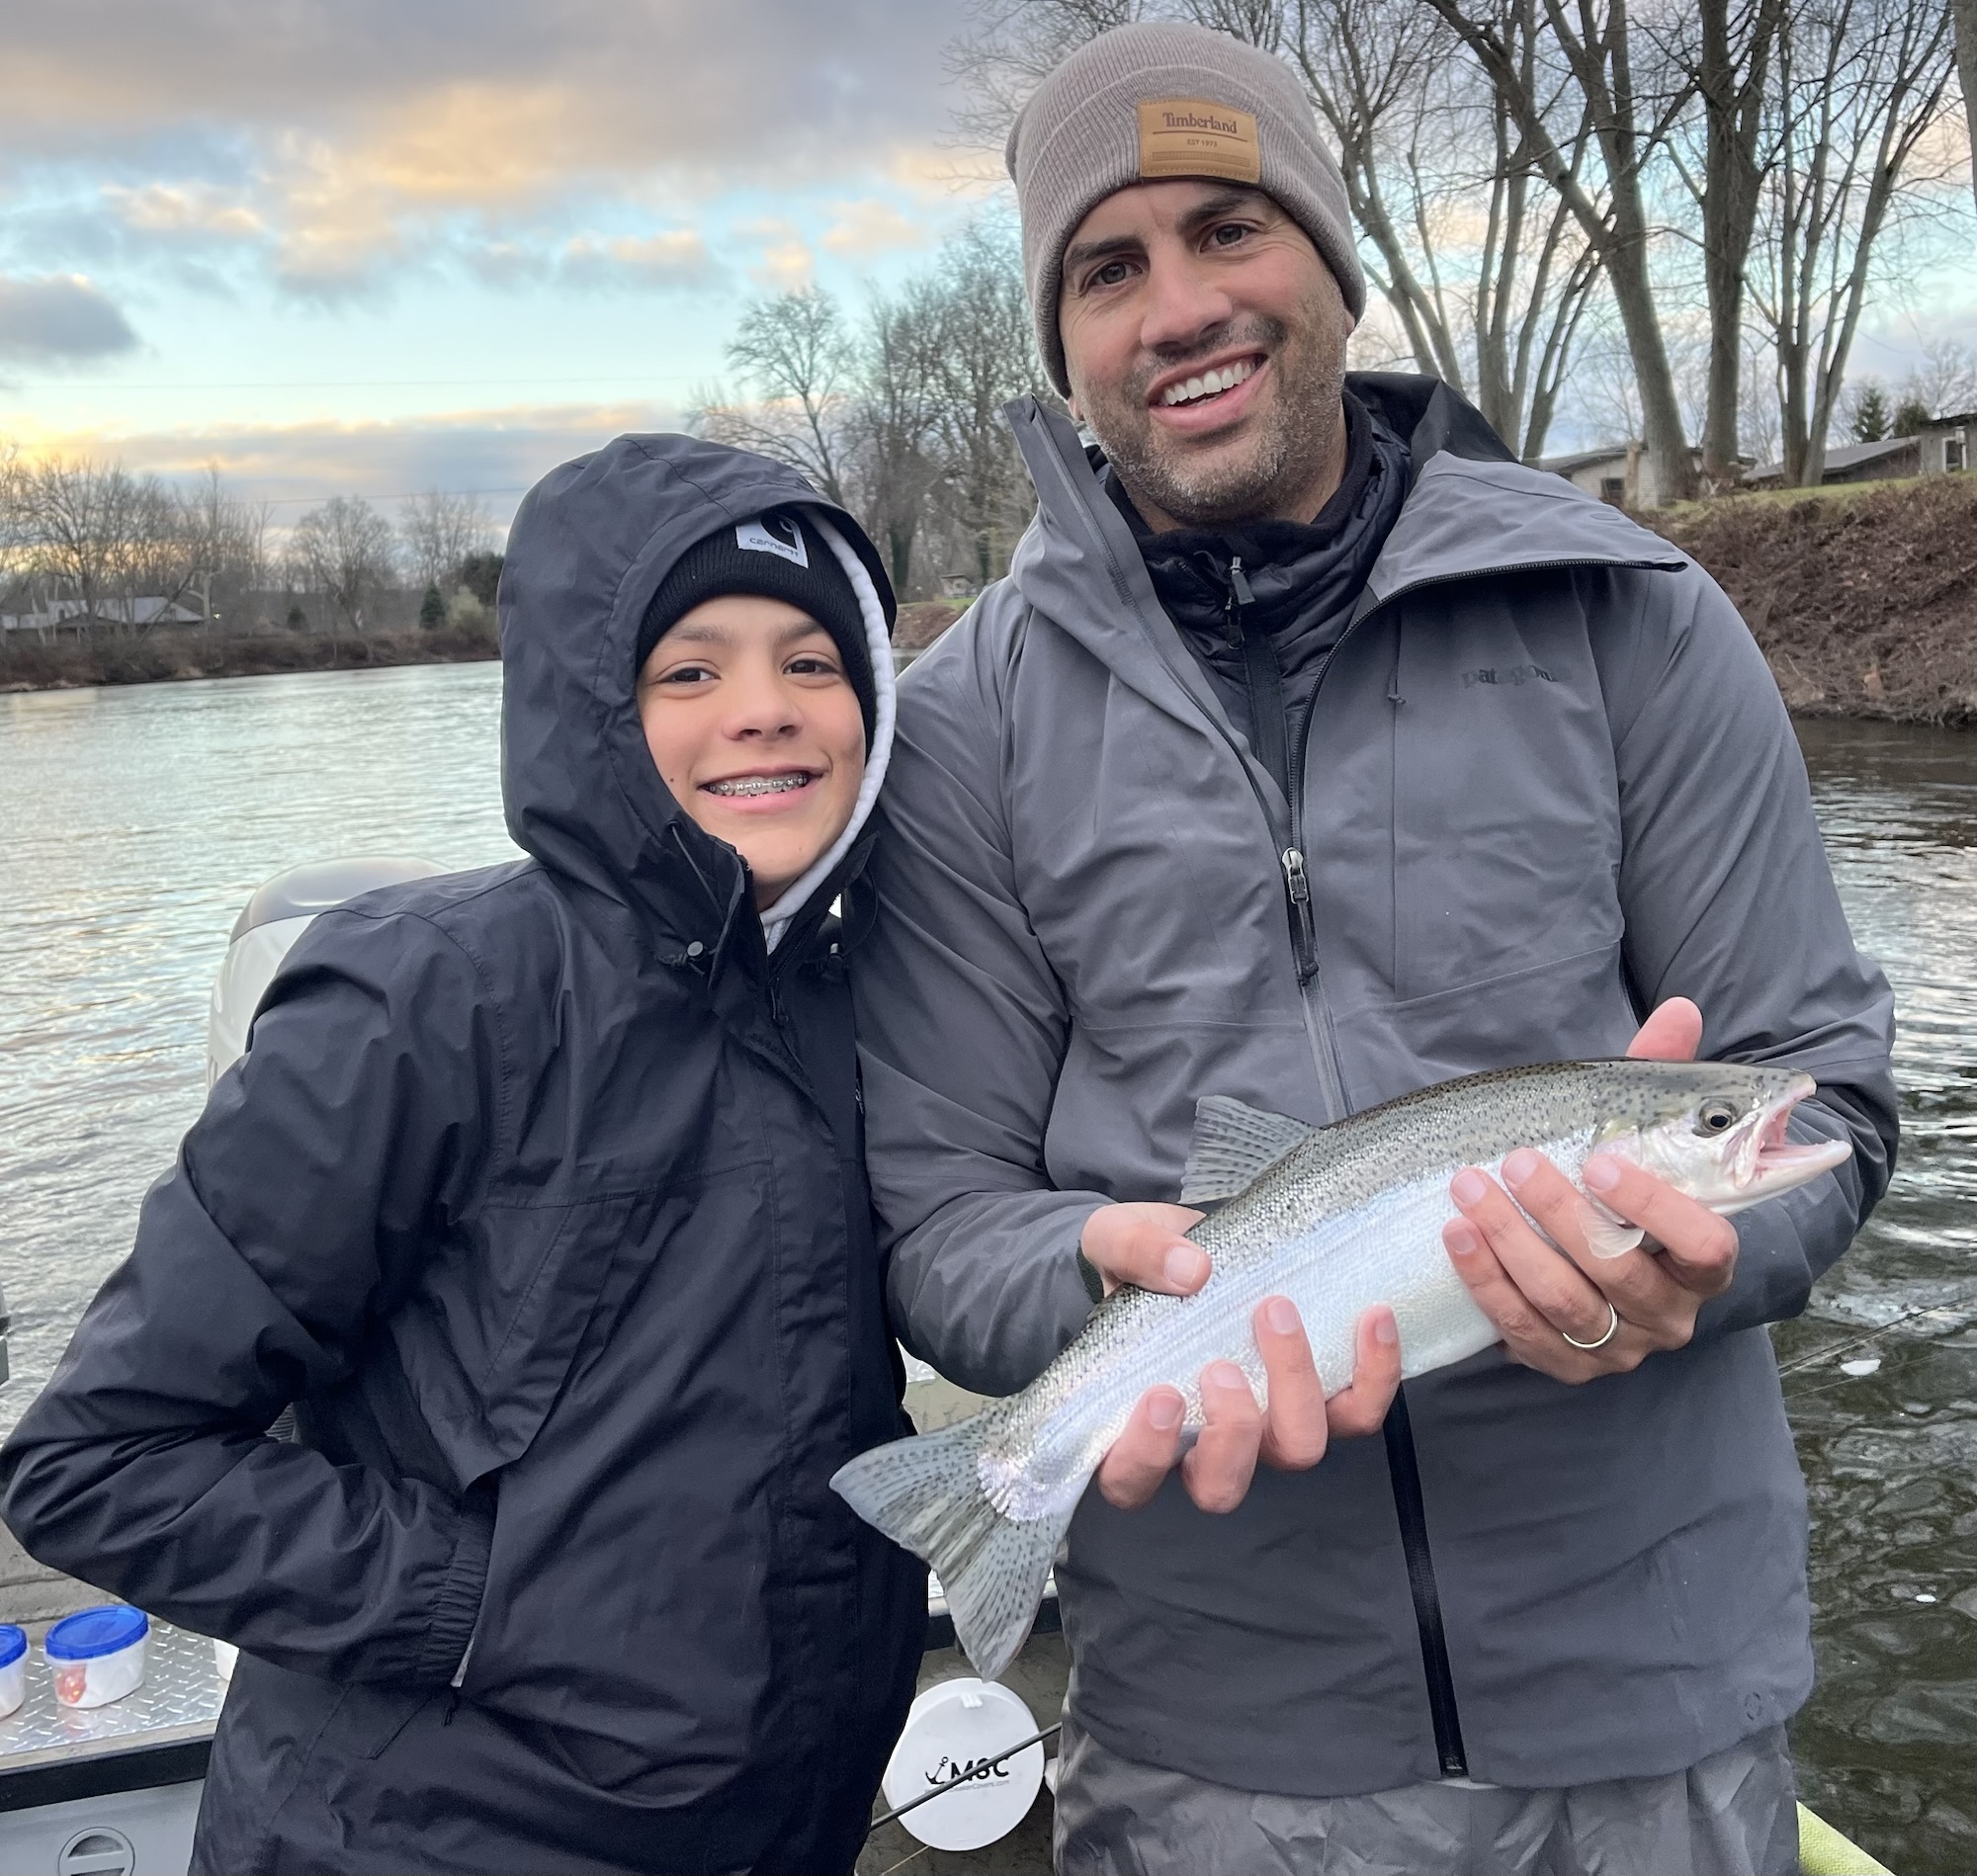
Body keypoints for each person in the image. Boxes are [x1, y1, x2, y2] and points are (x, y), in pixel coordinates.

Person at [852, 22, 1897, 1876]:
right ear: (1063, 341)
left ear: (1335, 264)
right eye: (1109, 268)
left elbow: (1827, 1105)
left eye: (1230, 229)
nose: (1182, 307)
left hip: (1656, 1702)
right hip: (1217, 1746)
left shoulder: (1635, 616)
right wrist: (1097, 1275)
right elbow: (938, 1223)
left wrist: (1702, 1259)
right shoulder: (961, 730)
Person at [0, 436, 926, 1876]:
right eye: (689, 671)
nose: (764, 708)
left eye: (813, 662)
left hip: (776, 1828)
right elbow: (99, 1463)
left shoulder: (858, 993)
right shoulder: (425, 997)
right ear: (591, 710)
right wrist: (478, 1605)